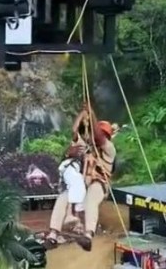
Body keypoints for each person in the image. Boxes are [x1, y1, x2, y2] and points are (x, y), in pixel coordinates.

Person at [70, 102, 117, 252]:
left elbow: (98, 136)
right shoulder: (89, 147)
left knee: (91, 200)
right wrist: (82, 115)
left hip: (99, 184)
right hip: (85, 184)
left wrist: (92, 114)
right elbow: (74, 132)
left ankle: (88, 235)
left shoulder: (109, 149)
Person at [46, 147, 87, 247]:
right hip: (76, 184)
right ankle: (76, 224)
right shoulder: (75, 164)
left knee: (65, 203)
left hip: (72, 185)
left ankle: (54, 233)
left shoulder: (65, 165)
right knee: (72, 203)